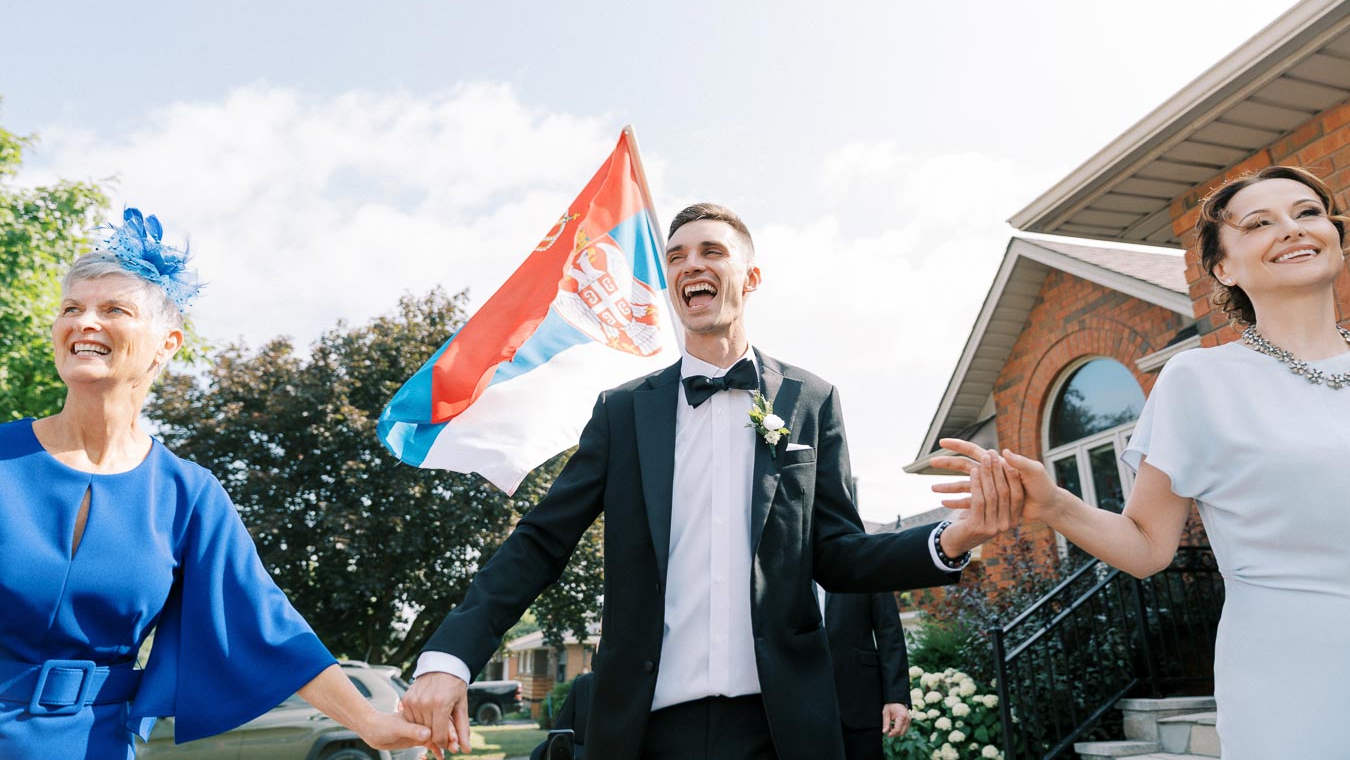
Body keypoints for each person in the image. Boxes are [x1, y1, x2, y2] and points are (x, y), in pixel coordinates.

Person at [401, 203, 1024, 760]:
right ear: (669, 284)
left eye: (711, 252)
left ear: (750, 278)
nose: (689, 264)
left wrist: (951, 538)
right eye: (676, 257)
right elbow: (541, 540)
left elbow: (838, 555)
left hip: (782, 729)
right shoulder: (623, 413)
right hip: (645, 727)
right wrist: (450, 654)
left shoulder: (812, 399)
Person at [934, 166, 1350, 760]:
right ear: (1224, 269)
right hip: (1292, 679)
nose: (1292, 229)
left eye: (1307, 213)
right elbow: (1147, 546)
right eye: (1260, 223)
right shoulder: (1200, 381)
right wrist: (1051, 502)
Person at [0, 209, 430, 758]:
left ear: (167, 343)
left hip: (96, 743)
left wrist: (370, 722)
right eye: (71, 308)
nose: (85, 322)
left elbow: (267, 624)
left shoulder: (188, 494)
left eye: (113, 309)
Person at [823, 591, 910, 760]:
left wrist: (896, 697)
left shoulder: (864, 564)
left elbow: (889, 630)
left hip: (859, 698)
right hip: (801, 706)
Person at [529, 672, 593, 760]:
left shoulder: (584, 683)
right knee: (537, 753)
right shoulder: (583, 684)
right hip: (577, 749)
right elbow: (561, 731)